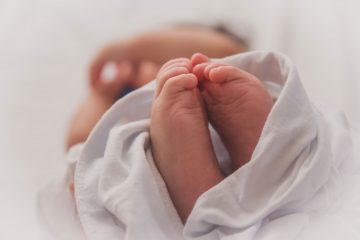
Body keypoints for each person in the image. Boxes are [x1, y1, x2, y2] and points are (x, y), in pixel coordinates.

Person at [65, 24, 247, 150]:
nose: (131, 65)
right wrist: (103, 94)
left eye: (152, 54)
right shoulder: (126, 107)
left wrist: (127, 47)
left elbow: (226, 50)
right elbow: (78, 147)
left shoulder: (219, 79)